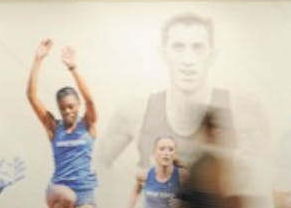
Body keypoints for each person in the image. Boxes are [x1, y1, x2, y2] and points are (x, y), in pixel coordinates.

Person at [96, 13, 237, 172]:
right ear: (164, 53)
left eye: (198, 47)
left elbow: (260, 174)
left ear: (212, 54)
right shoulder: (134, 111)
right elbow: (96, 163)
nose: (188, 60)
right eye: (178, 47)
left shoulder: (238, 110)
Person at [26, 39, 99, 208]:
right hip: (58, 189)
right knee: (67, 197)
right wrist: (38, 60)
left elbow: (90, 100)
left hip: (85, 191)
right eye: (63, 107)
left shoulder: (88, 125)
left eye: (71, 106)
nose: (68, 111)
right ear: (59, 108)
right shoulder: (53, 128)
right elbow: (31, 96)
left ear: (77, 107)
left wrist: (73, 68)